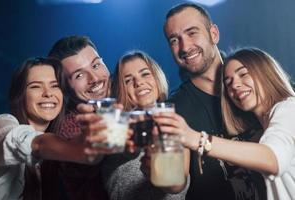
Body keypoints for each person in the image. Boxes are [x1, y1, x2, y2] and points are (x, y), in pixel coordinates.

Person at [156, 3, 266, 200]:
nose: (185, 46)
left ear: (214, 34)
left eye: (192, 32)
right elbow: (174, 181)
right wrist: (161, 171)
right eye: (174, 40)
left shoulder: (257, 78)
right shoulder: (175, 110)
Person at [153, 47, 295, 200]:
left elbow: (273, 159)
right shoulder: (264, 126)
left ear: (266, 72)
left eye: (243, 74)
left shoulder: (288, 108)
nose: (235, 85)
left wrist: (195, 138)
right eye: (228, 83)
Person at [76, 50, 188, 200]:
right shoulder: (114, 123)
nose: (139, 82)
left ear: (156, 77)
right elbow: (124, 148)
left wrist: (165, 174)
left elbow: (178, 184)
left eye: (145, 74)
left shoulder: (176, 122)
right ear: (121, 89)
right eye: (128, 80)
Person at [0, 57, 91, 200]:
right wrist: (78, 149)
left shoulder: (53, 154)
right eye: (35, 86)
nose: (48, 93)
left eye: (55, 85)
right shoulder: (2, 123)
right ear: (20, 95)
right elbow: (30, 142)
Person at [46, 35, 109, 200]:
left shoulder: (123, 101)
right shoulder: (68, 129)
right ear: (65, 87)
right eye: (79, 76)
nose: (94, 79)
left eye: (96, 65)